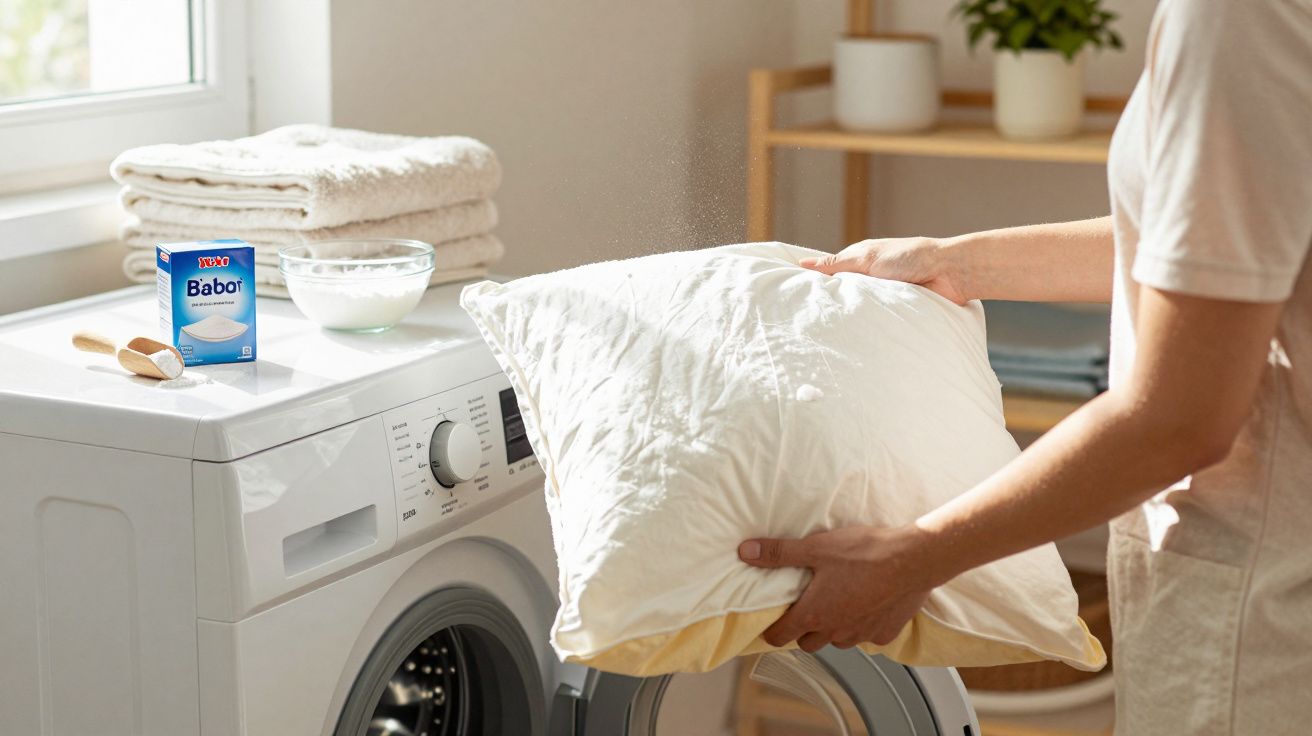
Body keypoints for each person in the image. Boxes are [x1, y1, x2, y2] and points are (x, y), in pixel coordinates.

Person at [736, 1, 1312, 732]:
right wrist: (956, 262)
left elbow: (1180, 418)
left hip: (1264, 620)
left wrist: (914, 556)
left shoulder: (1239, 17)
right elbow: (1216, 237)